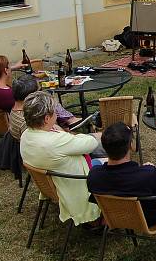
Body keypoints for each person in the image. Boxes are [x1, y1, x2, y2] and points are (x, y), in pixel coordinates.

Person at [19, 91, 101, 225]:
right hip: (75, 185)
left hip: (54, 185)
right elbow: (91, 143)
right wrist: (70, 136)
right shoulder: (55, 141)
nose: (56, 115)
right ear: (46, 119)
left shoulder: (26, 135)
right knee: (106, 164)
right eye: (55, 112)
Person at [88, 122, 156, 228]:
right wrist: (155, 169)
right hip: (153, 218)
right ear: (131, 145)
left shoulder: (94, 176)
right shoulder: (148, 174)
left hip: (120, 219)